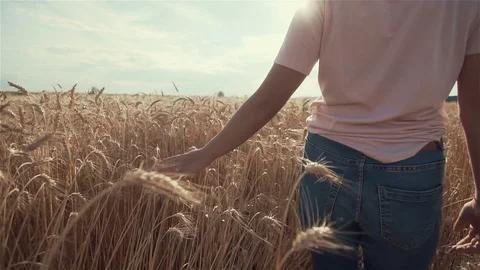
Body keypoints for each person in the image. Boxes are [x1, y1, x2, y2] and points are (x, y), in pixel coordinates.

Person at [156, 1, 480, 269]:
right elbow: (475, 110)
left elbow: (270, 97)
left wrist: (207, 153)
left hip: (326, 164)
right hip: (411, 170)